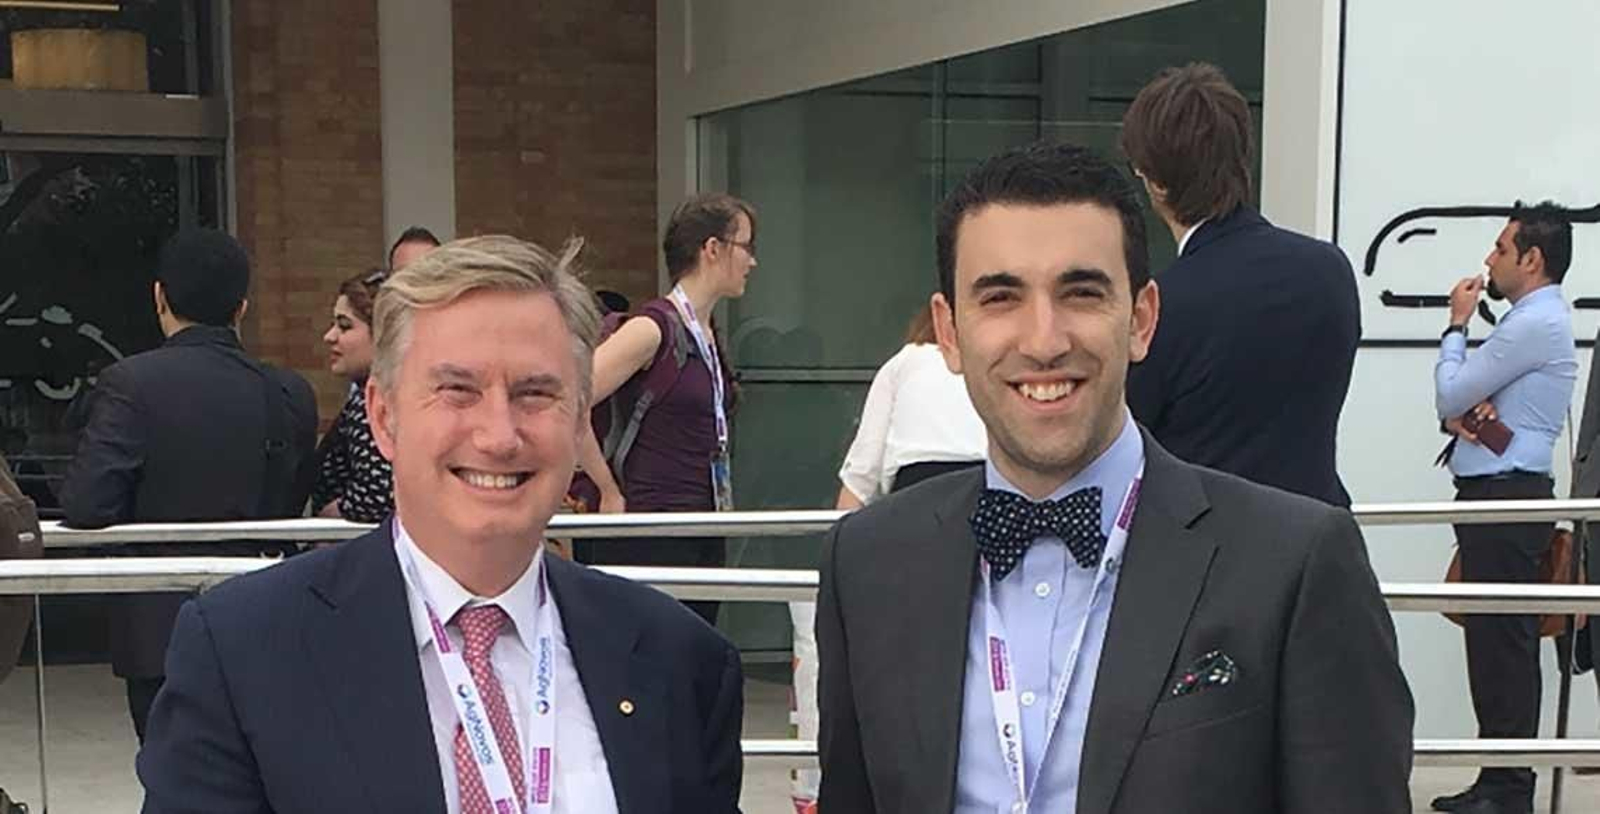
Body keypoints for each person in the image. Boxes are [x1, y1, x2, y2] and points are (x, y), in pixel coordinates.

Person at [816, 141, 1413, 813]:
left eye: (1081, 293)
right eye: (1001, 297)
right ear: (949, 333)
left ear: (1142, 319)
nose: (1044, 340)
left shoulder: (1294, 563)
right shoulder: (866, 564)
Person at [137, 235, 745, 813]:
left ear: (577, 419)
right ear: (383, 416)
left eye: (535, 394)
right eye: (458, 390)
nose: (499, 435)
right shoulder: (244, 651)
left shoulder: (679, 661)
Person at [59, 229, 318, 743]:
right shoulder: (288, 392)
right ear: (241, 308)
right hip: (264, 612)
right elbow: (291, 497)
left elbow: (87, 503)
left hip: (158, 628)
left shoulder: (130, 384)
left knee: (171, 775)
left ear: (160, 296)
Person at [1122, 63, 1361, 507]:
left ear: (1154, 181)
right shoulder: (1329, 269)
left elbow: (1125, 437)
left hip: (1209, 550)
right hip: (1322, 534)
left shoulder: (1161, 304)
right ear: (1242, 155)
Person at [1430, 202, 1577, 814]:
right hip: (1500, 496)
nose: (1489, 260)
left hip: (1507, 498)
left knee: (1505, 644)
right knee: (1493, 641)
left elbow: (1451, 391)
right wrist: (1462, 407)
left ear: (1532, 258)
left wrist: (1457, 326)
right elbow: (1460, 408)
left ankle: (1509, 787)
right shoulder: (1531, 322)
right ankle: (1498, 778)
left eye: (1499, 248)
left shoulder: (1532, 323)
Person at [575, 193, 757, 626]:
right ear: (712, 249)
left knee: (695, 646)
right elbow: (569, 402)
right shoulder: (651, 329)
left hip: (703, 521)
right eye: (746, 247)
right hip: (651, 525)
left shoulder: (708, 335)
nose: (752, 261)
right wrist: (608, 489)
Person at [835, 303, 988, 509]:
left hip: (914, 494)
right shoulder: (990, 366)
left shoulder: (903, 363)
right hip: (985, 488)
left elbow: (862, 473)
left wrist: (838, 534)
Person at [310, 268, 396, 523]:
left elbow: (378, 492)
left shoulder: (372, 403)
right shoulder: (381, 395)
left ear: (382, 336)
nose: (329, 336)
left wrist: (331, 520)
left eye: (344, 326)